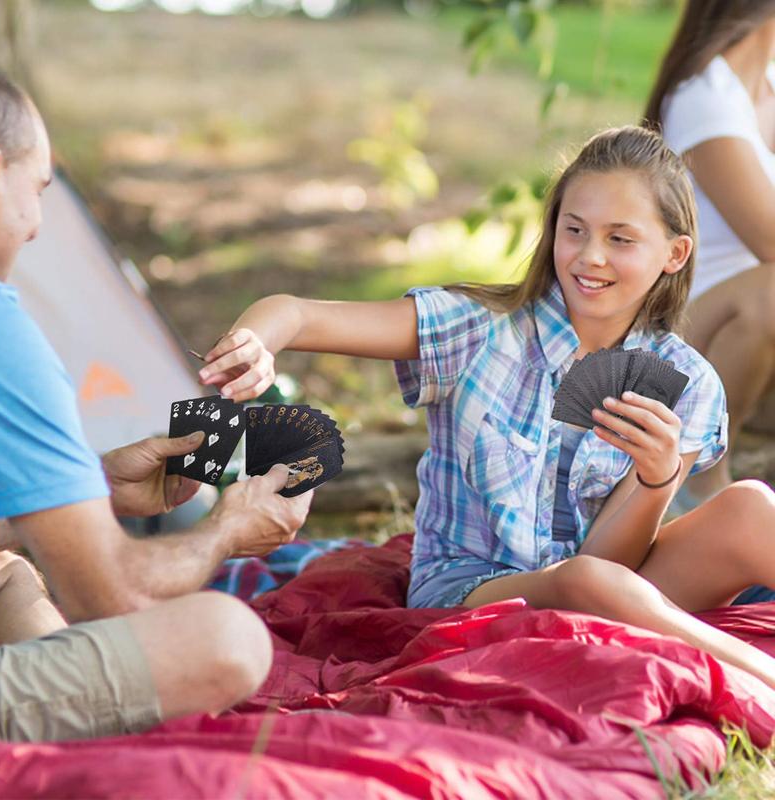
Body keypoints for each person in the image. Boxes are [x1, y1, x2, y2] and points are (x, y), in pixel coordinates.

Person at [200, 125, 775, 691]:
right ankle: (755, 677)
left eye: (620, 239)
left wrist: (657, 481)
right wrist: (256, 342)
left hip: (605, 582)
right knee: (585, 582)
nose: (590, 256)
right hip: (468, 589)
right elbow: (298, 313)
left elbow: (607, 562)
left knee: (751, 506)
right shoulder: (476, 331)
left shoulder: (686, 381)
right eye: (574, 230)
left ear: (674, 254)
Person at [0, 60, 312, 742]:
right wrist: (227, 528)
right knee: (227, 636)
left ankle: (73, 729)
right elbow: (110, 596)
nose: (37, 224)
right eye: (35, 190)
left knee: (4, 569)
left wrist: (99, 488)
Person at [644, 0, 775, 508]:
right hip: (680, 336)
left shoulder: (764, 84)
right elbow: (770, 241)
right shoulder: (705, 97)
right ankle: (699, 481)